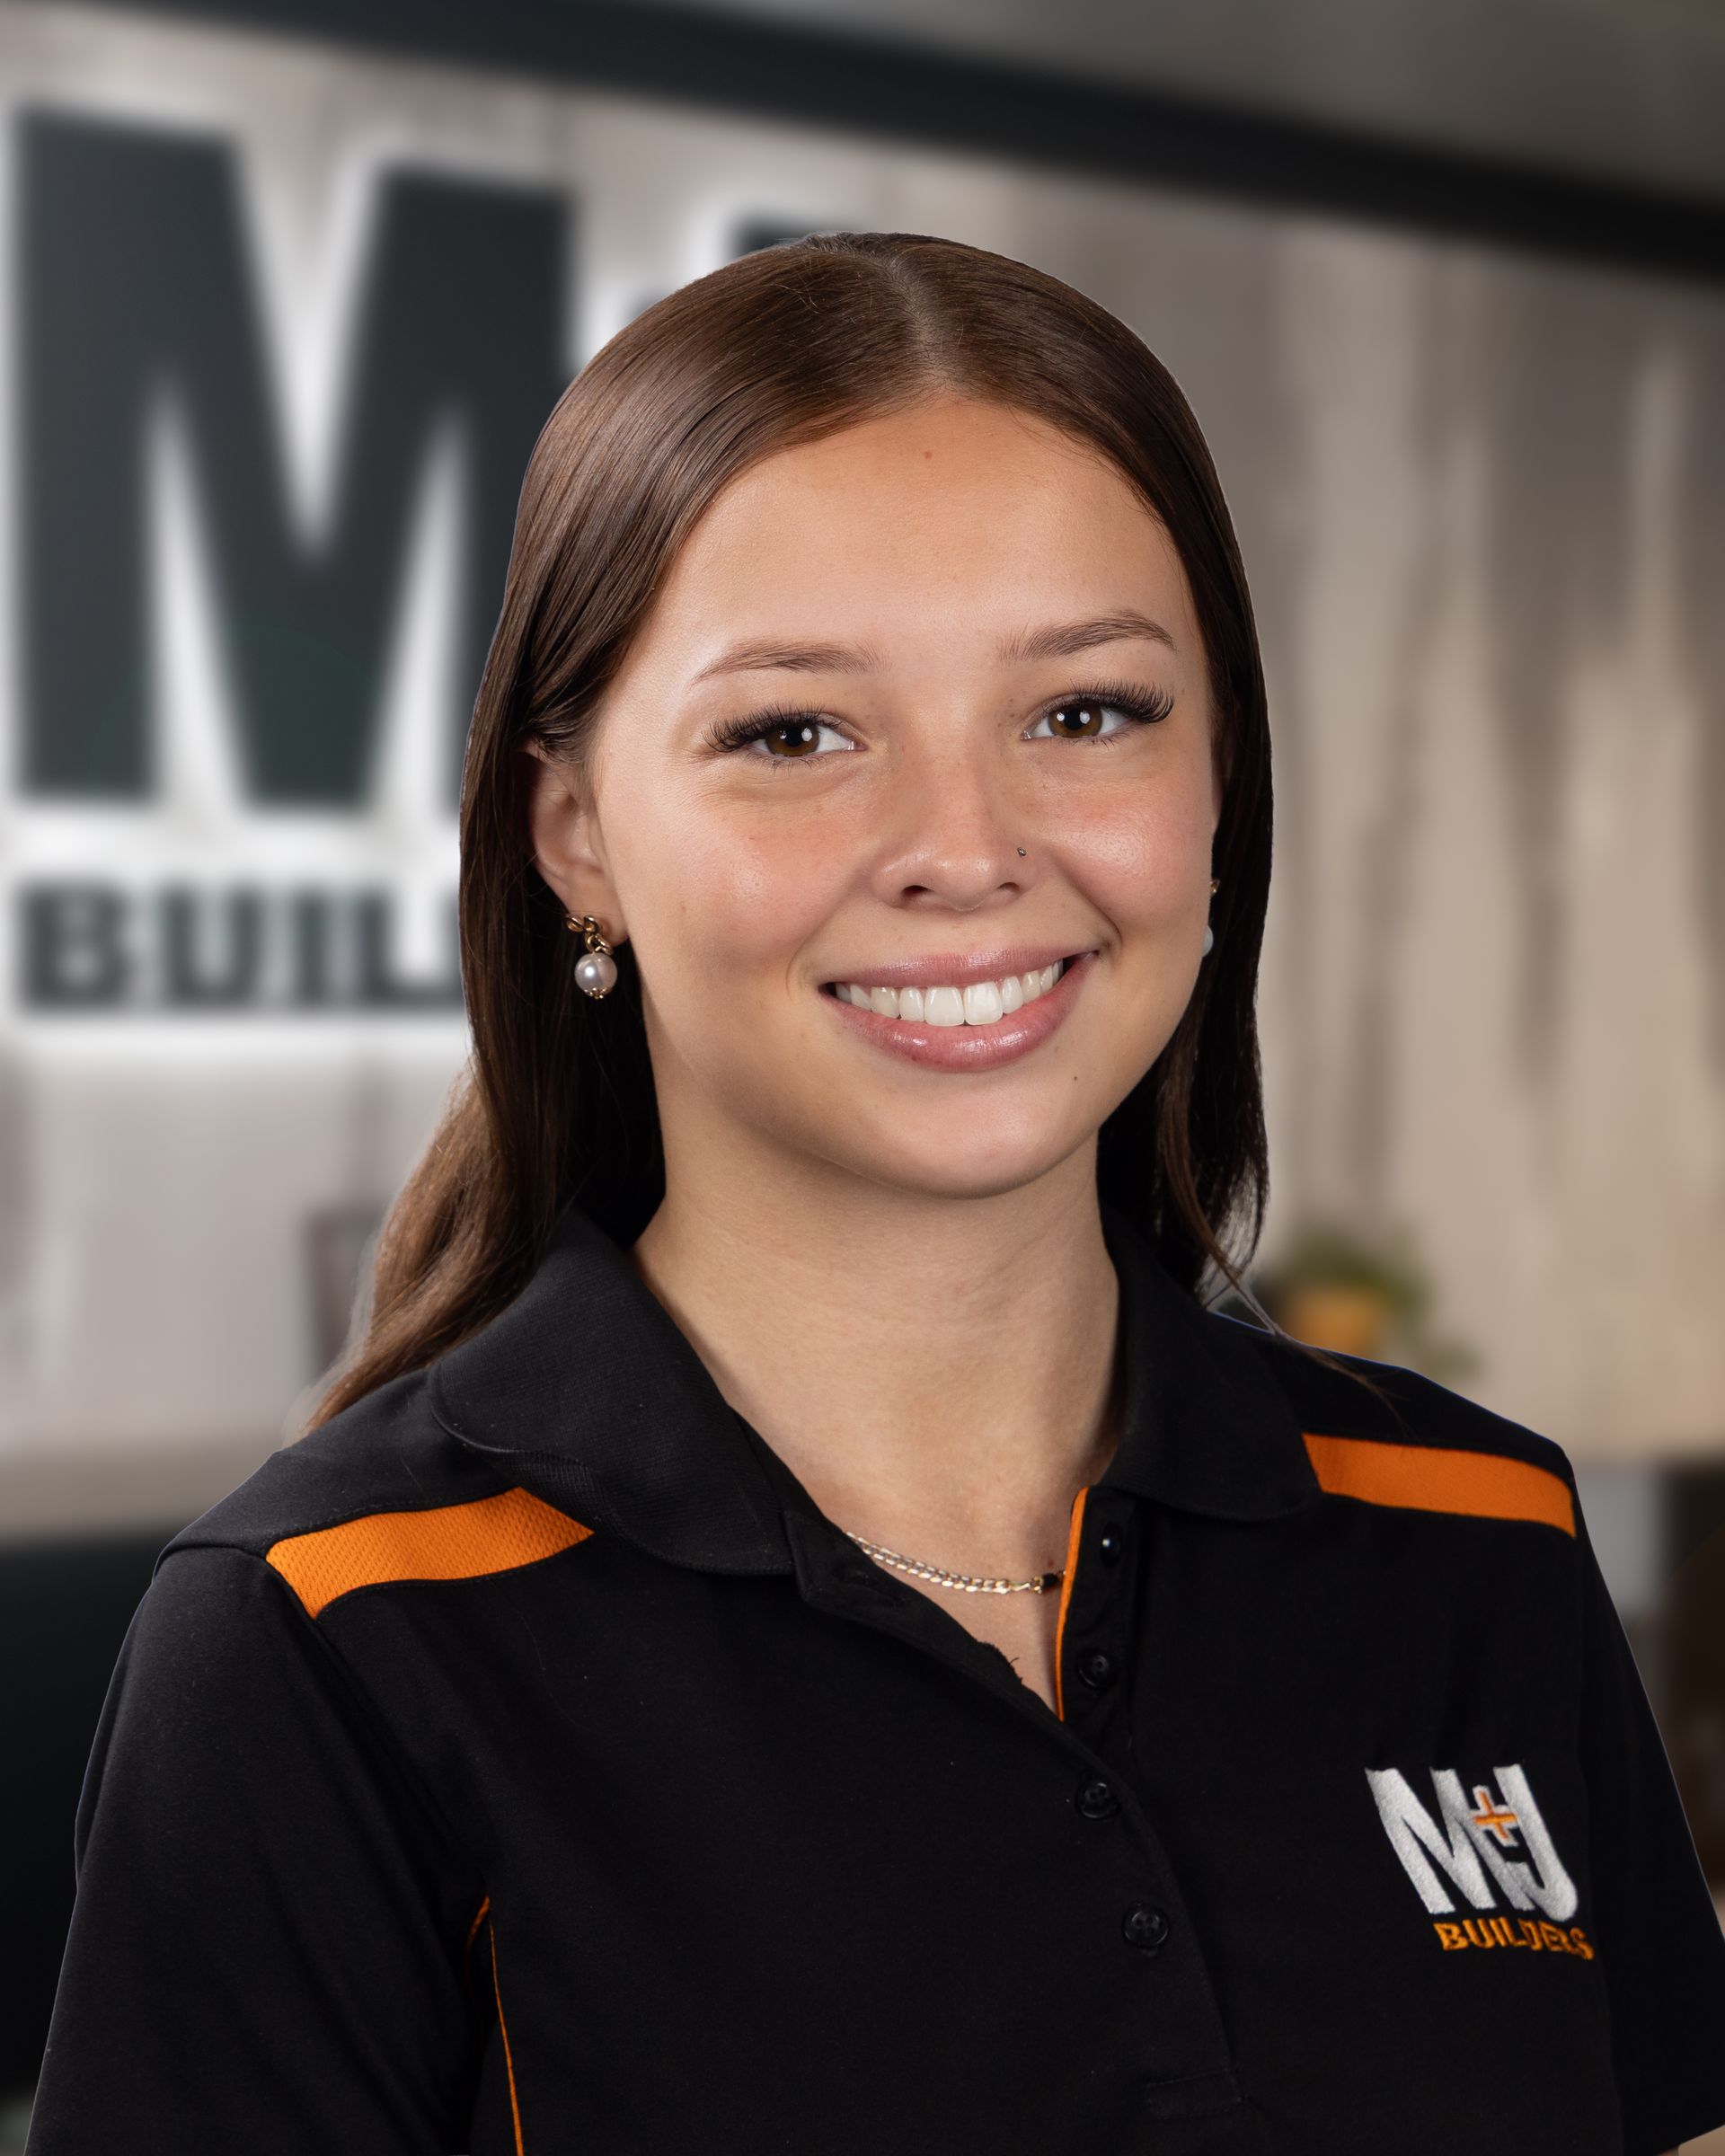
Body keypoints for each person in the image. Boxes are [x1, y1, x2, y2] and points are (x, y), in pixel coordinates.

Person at [26, 233, 1725, 2156]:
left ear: (1225, 775)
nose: (964, 850)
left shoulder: (1478, 1537)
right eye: (794, 733)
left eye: (1086, 711)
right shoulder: (327, 1639)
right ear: (570, 831)